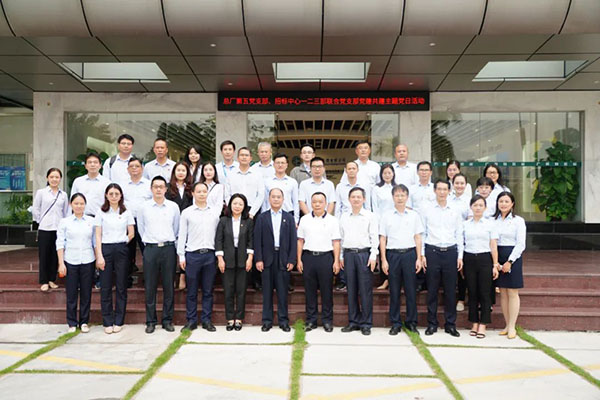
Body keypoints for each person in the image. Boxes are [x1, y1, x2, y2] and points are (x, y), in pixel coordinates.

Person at [421, 179, 464, 337]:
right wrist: (422, 254)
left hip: (450, 252)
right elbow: (423, 233)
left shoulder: (455, 210)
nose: (442, 192)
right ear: (434, 191)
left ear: (449, 191)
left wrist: (460, 255)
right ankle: (432, 323)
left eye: (445, 189)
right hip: (432, 251)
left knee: (450, 290)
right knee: (432, 290)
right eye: (439, 189)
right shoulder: (427, 210)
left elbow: (459, 234)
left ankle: (450, 324)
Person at [137, 176, 180, 334]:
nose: (158, 189)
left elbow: (176, 228)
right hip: (151, 248)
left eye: (161, 187)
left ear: (166, 189)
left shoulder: (173, 207)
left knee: (169, 286)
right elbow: (141, 228)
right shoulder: (144, 207)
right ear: (151, 189)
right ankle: (151, 321)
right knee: (150, 286)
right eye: (155, 186)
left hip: (168, 248)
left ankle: (167, 320)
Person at [380, 184, 423, 335]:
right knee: (394, 290)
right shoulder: (386, 215)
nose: (400, 198)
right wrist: (384, 260)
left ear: (407, 197)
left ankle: (411, 322)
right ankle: (395, 323)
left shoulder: (414, 215)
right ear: (393, 197)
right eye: (397, 195)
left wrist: (419, 258)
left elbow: (418, 237)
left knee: (411, 290)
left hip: (410, 254)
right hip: (393, 255)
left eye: (402, 195)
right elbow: (383, 239)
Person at [178, 182, 221, 332]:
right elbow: (182, 234)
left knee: (208, 290)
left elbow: (218, 235)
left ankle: (206, 320)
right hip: (192, 255)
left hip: (210, 254)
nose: (202, 194)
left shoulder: (214, 212)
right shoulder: (187, 213)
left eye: (204, 191)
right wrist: (181, 256)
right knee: (192, 291)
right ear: (193, 194)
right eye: (199, 191)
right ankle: (191, 320)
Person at [254, 188, 297, 332]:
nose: (276, 199)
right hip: (267, 259)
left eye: (279, 197)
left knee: (282, 292)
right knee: (267, 292)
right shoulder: (262, 218)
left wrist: (291, 259)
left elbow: (293, 240)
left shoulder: (289, 218)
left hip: (283, 258)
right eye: (273, 197)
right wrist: (258, 259)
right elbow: (257, 240)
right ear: (269, 199)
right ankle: (267, 321)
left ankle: (283, 321)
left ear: (283, 199)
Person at [297, 192, 341, 332]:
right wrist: (299, 259)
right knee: (310, 291)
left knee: (327, 291)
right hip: (308, 257)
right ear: (311, 203)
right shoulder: (304, 219)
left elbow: (336, 242)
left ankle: (327, 321)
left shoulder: (333, 220)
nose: (317, 204)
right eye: (314, 202)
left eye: (320, 202)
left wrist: (336, 260)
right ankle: (311, 320)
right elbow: (300, 241)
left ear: (325, 204)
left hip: (326, 257)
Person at [94, 184, 135, 334]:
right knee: (105, 286)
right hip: (105, 249)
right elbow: (98, 235)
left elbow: (131, 232)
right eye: (111, 194)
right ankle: (107, 321)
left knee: (121, 286)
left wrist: (123, 240)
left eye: (116, 194)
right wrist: (99, 255)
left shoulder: (126, 212)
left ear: (121, 195)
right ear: (106, 195)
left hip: (121, 249)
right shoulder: (101, 212)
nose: (113, 196)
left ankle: (119, 320)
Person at [339, 187, 378, 336]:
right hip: (348, 254)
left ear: (364, 199)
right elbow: (341, 238)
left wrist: (373, 255)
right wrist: (341, 256)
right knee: (351, 289)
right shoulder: (344, 217)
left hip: (364, 255)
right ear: (349, 199)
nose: (356, 199)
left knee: (365, 290)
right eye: (353, 197)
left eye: (358, 197)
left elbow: (374, 236)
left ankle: (366, 323)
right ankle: (353, 321)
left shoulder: (370, 216)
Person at [56, 193, 96, 333]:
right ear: (71, 205)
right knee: (71, 293)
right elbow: (60, 243)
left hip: (88, 260)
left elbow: (95, 242)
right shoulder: (65, 222)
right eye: (76, 203)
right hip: (70, 260)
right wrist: (61, 263)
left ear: (85, 205)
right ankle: (72, 323)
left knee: (86, 292)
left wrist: (98, 258)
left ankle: (84, 321)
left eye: (81, 203)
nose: (79, 206)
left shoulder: (91, 221)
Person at [462, 195, 500, 339]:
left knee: (485, 292)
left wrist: (495, 264)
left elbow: (493, 245)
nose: (478, 208)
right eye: (475, 205)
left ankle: (483, 323)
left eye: (480, 205)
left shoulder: (490, 224)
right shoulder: (465, 224)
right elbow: (462, 243)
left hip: (485, 259)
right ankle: (474, 323)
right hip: (469, 258)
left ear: (485, 208)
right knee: (472, 292)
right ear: (471, 207)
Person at [215, 194, 254, 331]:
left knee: (241, 290)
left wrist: (250, 258)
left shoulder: (248, 221)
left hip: (243, 258)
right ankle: (230, 318)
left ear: (244, 207)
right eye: (235, 203)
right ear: (230, 205)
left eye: (240, 204)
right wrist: (220, 259)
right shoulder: (223, 221)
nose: (237, 206)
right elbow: (218, 240)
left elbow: (251, 240)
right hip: (227, 259)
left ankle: (239, 319)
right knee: (228, 290)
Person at [494, 192, 526, 340]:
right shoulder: (493, 220)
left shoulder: (518, 221)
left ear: (512, 204)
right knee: (503, 292)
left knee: (512, 292)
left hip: (513, 256)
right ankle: (506, 325)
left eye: (507, 201)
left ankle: (512, 326)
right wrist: (496, 262)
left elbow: (521, 244)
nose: (503, 204)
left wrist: (510, 261)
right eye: (501, 201)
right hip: (497, 255)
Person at [33, 168, 69, 292]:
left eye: (57, 177)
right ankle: (44, 281)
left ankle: (52, 280)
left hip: (58, 229)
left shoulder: (63, 195)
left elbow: (65, 212)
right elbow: (36, 209)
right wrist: (41, 221)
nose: (54, 179)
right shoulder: (41, 193)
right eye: (52, 177)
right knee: (44, 255)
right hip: (45, 228)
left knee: (55, 255)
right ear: (47, 178)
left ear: (60, 179)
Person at [122, 157, 151, 288]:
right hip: (127, 222)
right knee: (127, 251)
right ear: (127, 169)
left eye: (137, 166)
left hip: (145, 221)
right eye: (131, 166)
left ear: (142, 169)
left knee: (146, 250)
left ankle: (148, 278)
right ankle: (127, 279)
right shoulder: (122, 185)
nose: (134, 169)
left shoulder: (148, 185)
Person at [166, 162, 193, 290]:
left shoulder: (191, 187)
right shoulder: (168, 187)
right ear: (174, 172)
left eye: (183, 170)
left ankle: (183, 275)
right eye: (178, 170)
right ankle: (172, 276)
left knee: (184, 250)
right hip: (172, 222)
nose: (181, 173)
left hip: (188, 222)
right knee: (171, 251)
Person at [225, 147, 265, 219]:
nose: (244, 157)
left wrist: (252, 213)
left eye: (246, 155)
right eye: (242, 155)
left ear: (250, 158)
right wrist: (232, 208)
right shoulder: (231, 174)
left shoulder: (257, 175)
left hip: (252, 210)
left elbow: (261, 195)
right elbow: (227, 194)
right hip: (234, 210)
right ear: (237, 158)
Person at [450, 173, 471, 312]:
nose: (459, 186)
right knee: (453, 270)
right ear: (452, 184)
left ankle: (462, 299)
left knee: (463, 270)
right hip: (449, 238)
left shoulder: (470, 201)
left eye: (462, 183)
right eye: (456, 183)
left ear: (466, 185)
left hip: (465, 238)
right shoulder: (447, 199)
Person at [71, 151, 111, 218]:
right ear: (85, 166)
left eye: (95, 162)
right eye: (90, 162)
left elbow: (110, 203)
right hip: (81, 218)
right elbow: (72, 201)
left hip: (99, 218)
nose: (92, 165)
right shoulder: (78, 181)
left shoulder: (107, 183)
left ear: (100, 165)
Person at [263, 153, 299, 225]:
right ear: (273, 164)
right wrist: (264, 217)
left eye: (282, 163)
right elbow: (264, 202)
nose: (280, 165)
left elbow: (296, 202)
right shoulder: (267, 181)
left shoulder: (292, 182)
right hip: (270, 215)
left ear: (287, 165)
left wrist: (296, 219)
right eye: (278, 163)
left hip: (288, 214)